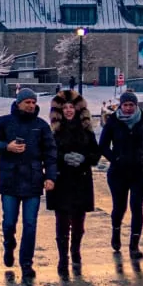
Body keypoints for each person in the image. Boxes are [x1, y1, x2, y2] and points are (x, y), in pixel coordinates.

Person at [0, 88, 57, 279]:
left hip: (33, 181)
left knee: (30, 224)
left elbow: (50, 154)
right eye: (27, 102)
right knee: (9, 222)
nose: (31, 105)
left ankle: (26, 263)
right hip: (10, 180)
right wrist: (6, 147)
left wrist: (50, 177)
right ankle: (9, 245)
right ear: (18, 103)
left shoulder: (41, 126)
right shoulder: (4, 122)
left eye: (33, 102)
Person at [48, 91, 101, 274]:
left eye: (72, 107)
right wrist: (63, 158)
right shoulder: (55, 132)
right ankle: (63, 257)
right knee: (62, 221)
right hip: (61, 180)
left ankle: (75, 250)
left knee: (78, 221)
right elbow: (49, 154)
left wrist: (84, 158)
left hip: (81, 179)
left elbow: (96, 154)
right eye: (65, 108)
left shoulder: (86, 130)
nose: (69, 111)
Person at [99, 90, 143, 258]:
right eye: (125, 105)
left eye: (131, 105)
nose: (128, 108)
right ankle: (116, 231)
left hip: (139, 171)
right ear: (121, 105)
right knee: (119, 207)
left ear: (136, 106)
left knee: (137, 206)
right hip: (118, 172)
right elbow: (103, 145)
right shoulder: (113, 121)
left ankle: (134, 244)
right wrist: (115, 158)